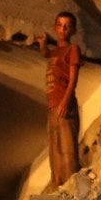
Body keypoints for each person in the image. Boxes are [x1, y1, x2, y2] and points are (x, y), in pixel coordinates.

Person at [35, 11, 81, 190]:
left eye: (67, 26)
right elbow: (48, 54)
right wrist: (42, 44)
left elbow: (73, 78)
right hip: (52, 105)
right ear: (55, 28)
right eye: (60, 25)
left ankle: (71, 187)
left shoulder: (72, 49)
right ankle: (58, 186)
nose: (63, 30)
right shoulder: (55, 52)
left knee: (67, 147)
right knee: (55, 148)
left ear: (73, 30)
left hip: (64, 103)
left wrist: (65, 102)